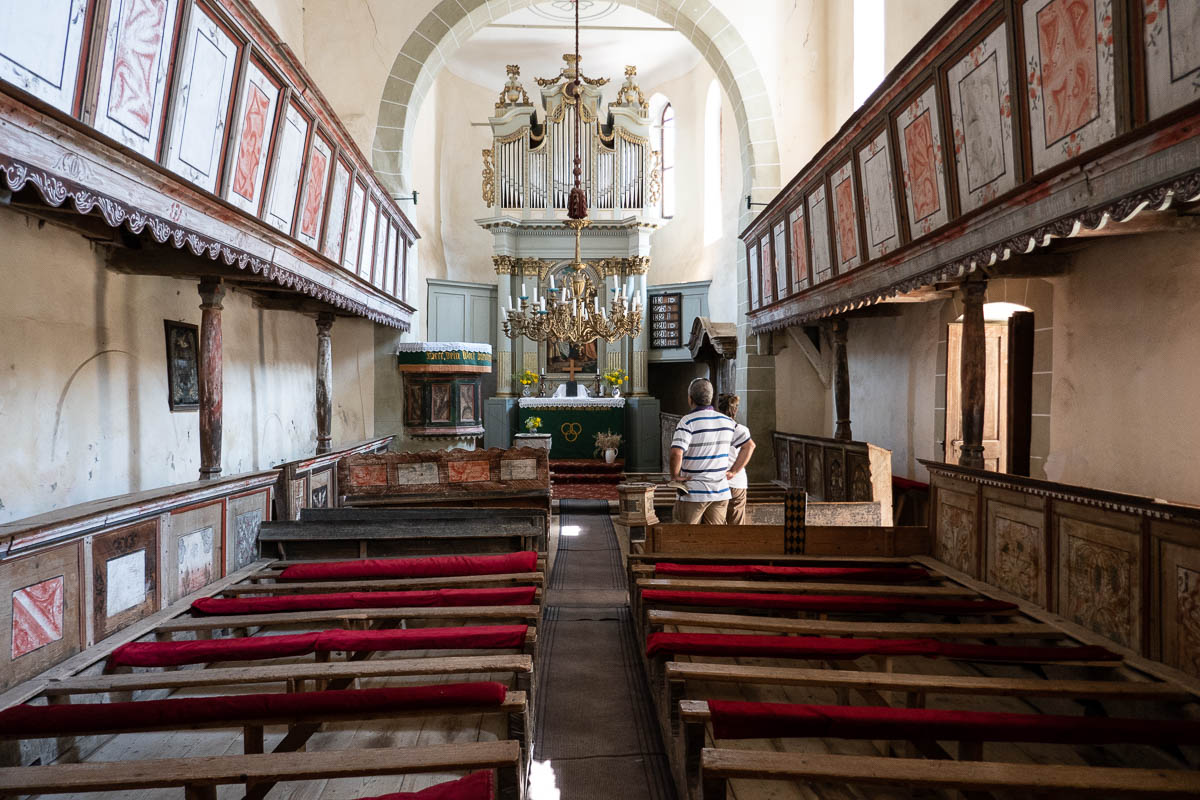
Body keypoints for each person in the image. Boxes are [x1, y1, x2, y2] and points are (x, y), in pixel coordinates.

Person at [669, 378, 752, 524]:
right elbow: (749, 445)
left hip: (693, 493)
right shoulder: (727, 421)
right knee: (714, 539)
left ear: (690, 399)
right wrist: (734, 471)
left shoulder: (687, 421)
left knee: (685, 537)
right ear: (710, 398)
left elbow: (676, 453)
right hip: (720, 492)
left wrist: (675, 476)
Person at [717, 394, 755, 525]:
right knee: (736, 527)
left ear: (718, 408)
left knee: (716, 525)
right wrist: (733, 471)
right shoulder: (740, 429)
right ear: (736, 409)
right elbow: (750, 446)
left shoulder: (713, 428)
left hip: (718, 481)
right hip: (736, 482)